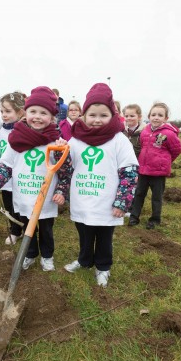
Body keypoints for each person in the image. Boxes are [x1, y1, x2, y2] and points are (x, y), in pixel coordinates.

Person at [0, 86, 72, 271]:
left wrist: (61, 191)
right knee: (27, 228)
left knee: (46, 231)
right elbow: (5, 164)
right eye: (33, 111)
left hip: (46, 199)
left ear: (52, 117)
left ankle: (47, 256)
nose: (38, 116)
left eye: (44, 113)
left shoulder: (55, 142)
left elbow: (65, 171)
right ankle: (31, 254)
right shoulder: (16, 140)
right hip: (24, 196)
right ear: (25, 113)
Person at [62, 83, 139, 287]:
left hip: (107, 203)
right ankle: (84, 260)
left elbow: (129, 171)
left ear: (112, 116)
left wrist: (122, 202)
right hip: (82, 200)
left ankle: (103, 267)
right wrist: (58, 153)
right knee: (84, 234)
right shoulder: (76, 140)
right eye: (92, 115)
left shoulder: (119, 140)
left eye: (103, 115)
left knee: (104, 237)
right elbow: (66, 168)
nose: (97, 120)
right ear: (84, 115)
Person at [128, 102, 181, 230]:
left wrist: (166, 161)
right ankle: (134, 216)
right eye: (153, 114)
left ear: (165, 118)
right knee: (139, 194)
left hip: (158, 173)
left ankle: (155, 219)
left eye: (160, 115)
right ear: (149, 116)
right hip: (143, 170)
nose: (156, 117)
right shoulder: (145, 131)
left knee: (156, 197)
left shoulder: (169, 134)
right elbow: (141, 145)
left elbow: (177, 149)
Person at [0, 91, 25, 244]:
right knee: (9, 205)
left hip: (19, 178)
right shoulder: (2, 130)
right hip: (4, 178)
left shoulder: (22, 131)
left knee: (20, 206)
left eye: (8, 111)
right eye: (1, 111)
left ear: (20, 112)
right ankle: (15, 231)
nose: (4, 115)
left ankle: (26, 229)